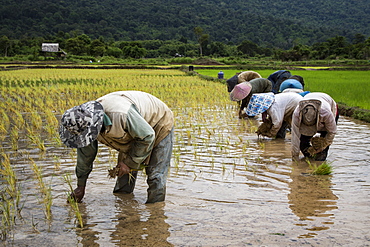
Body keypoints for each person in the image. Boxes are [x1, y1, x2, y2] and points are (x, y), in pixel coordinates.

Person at [59, 91, 174, 203]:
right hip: (135, 130)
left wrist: (129, 163)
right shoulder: (83, 127)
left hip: (158, 122)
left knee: (155, 175)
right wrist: (80, 186)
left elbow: (147, 136)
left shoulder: (121, 115)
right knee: (123, 173)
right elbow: (85, 157)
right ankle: (123, 207)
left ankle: (155, 215)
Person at [291, 92, 338, 161]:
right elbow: (295, 136)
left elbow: (332, 132)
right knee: (303, 144)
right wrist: (295, 158)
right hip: (310, 100)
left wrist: (323, 146)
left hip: (328, 107)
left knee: (322, 153)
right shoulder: (297, 114)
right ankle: (309, 161)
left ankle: (319, 162)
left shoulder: (326, 113)